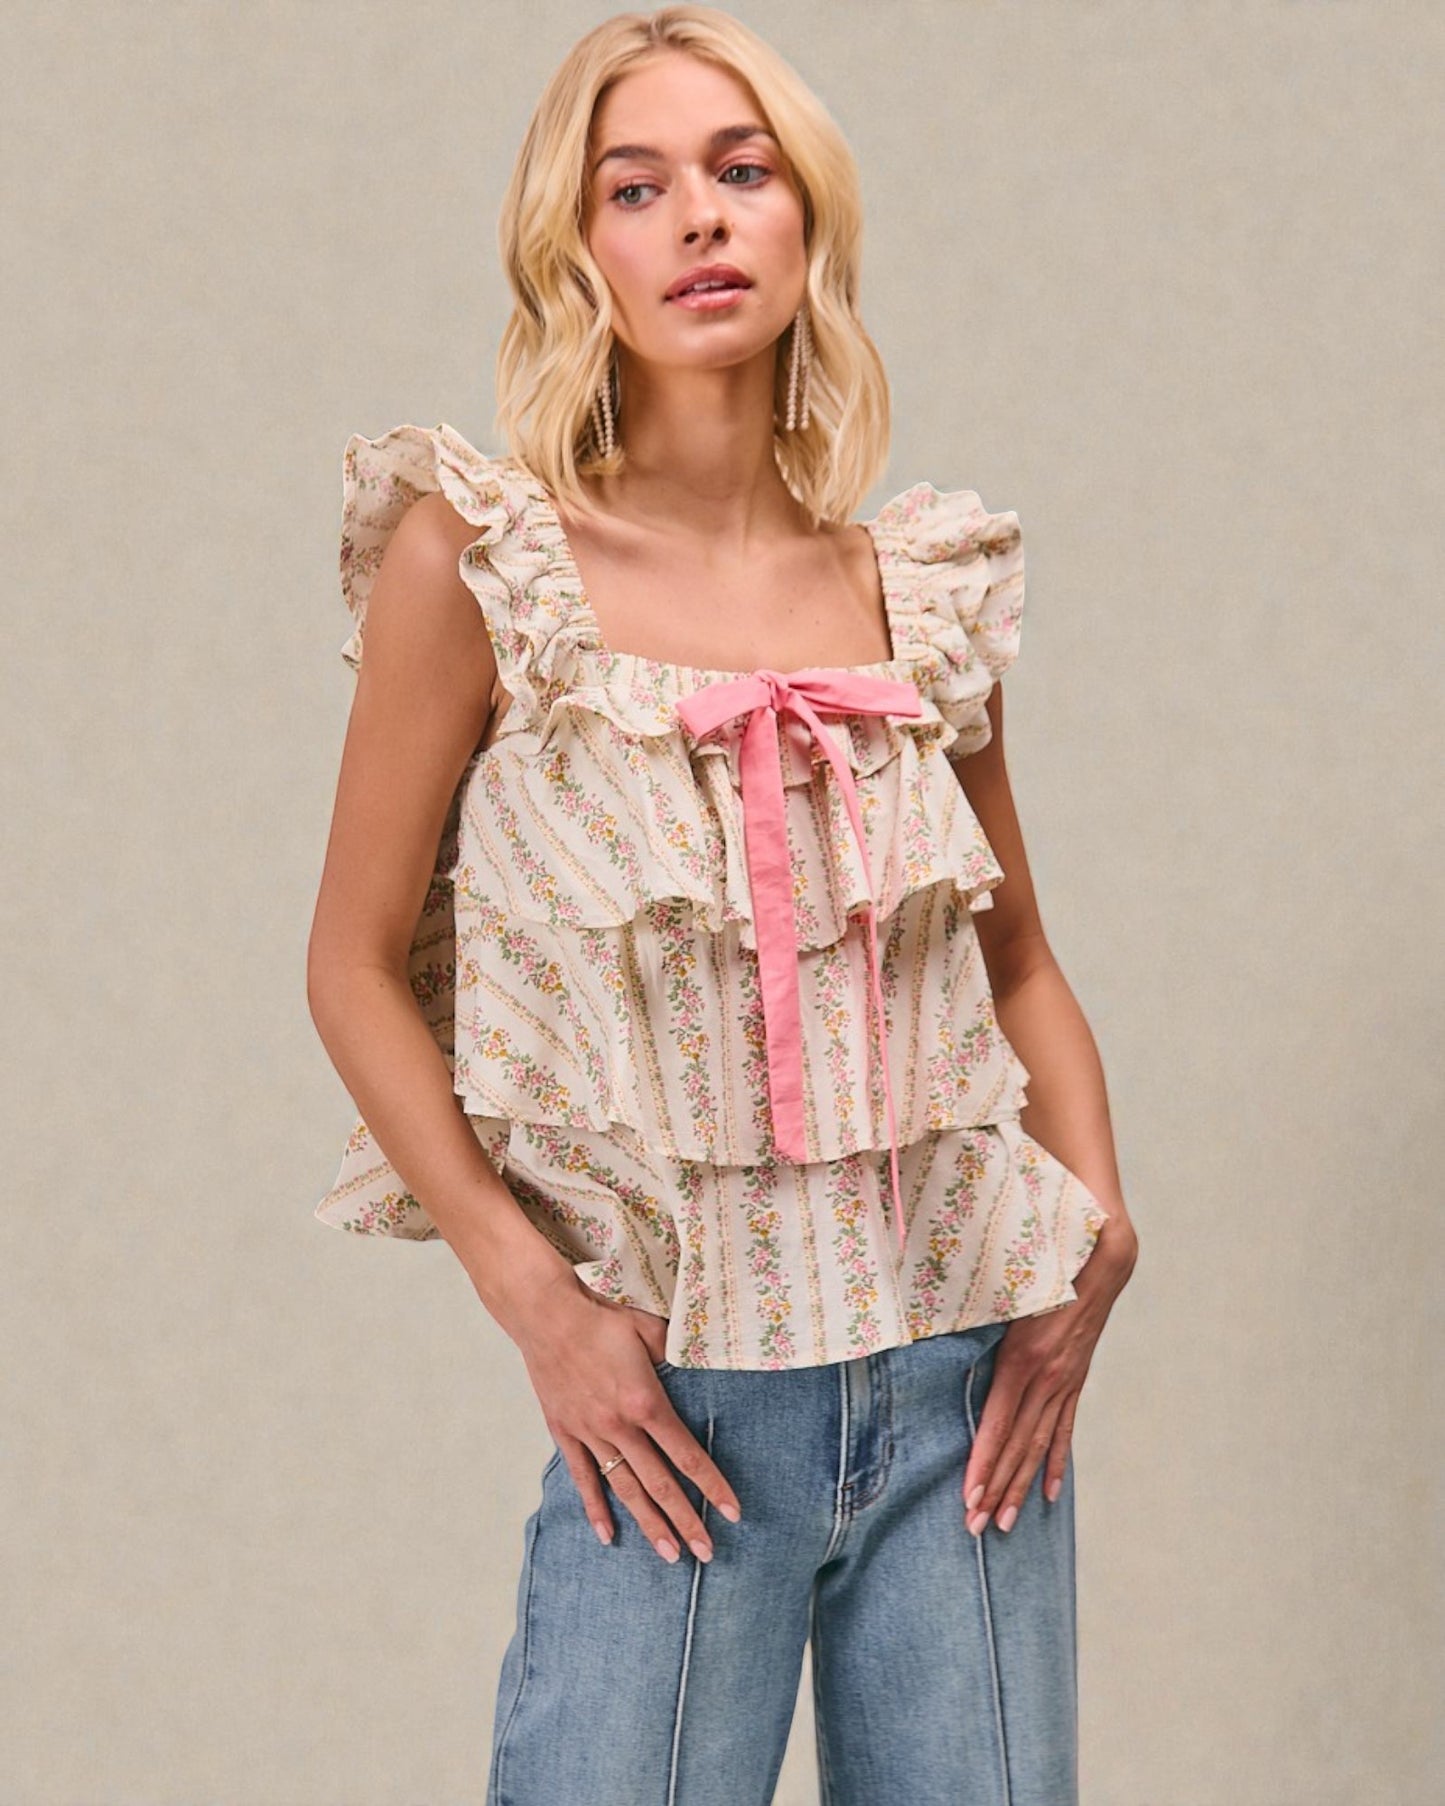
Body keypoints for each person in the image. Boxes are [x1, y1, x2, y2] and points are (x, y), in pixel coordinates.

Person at [307, 7, 1140, 1802]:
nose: (698, 217)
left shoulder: (917, 590)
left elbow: (1017, 958)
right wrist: (532, 1294)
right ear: (576, 247)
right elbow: (353, 964)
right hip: (673, 1412)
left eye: (740, 172)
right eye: (639, 185)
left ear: (806, 222)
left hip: (962, 1397)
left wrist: (1098, 1233)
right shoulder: (485, 565)